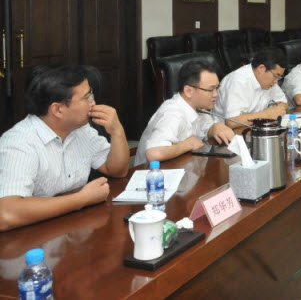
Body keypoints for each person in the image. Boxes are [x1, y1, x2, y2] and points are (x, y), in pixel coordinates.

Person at [0, 65, 129, 231]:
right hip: (31, 237)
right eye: (86, 98)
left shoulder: (80, 130)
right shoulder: (19, 143)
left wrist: (117, 131)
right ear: (58, 110)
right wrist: (82, 198)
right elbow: (7, 213)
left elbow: (117, 170)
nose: (93, 103)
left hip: (72, 227)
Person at [135, 60, 235, 165]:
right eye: (210, 90)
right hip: (153, 172)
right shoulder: (173, 114)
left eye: (217, 88)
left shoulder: (198, 107)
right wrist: (187, 145)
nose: (215, 94)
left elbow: (206, 128)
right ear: (189, 91)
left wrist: (215, 127)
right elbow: (154, 154)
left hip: (182, 165)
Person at [216, 48, 288, 128]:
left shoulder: (269, 81)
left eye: (279, 77)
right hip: (226, 132)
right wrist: (267, 114)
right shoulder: (238, 81)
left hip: (253, 127)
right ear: (261, 68)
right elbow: (232, 122)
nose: (276, 81)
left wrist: (275, 111)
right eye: (276, 76)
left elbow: (283, 104)